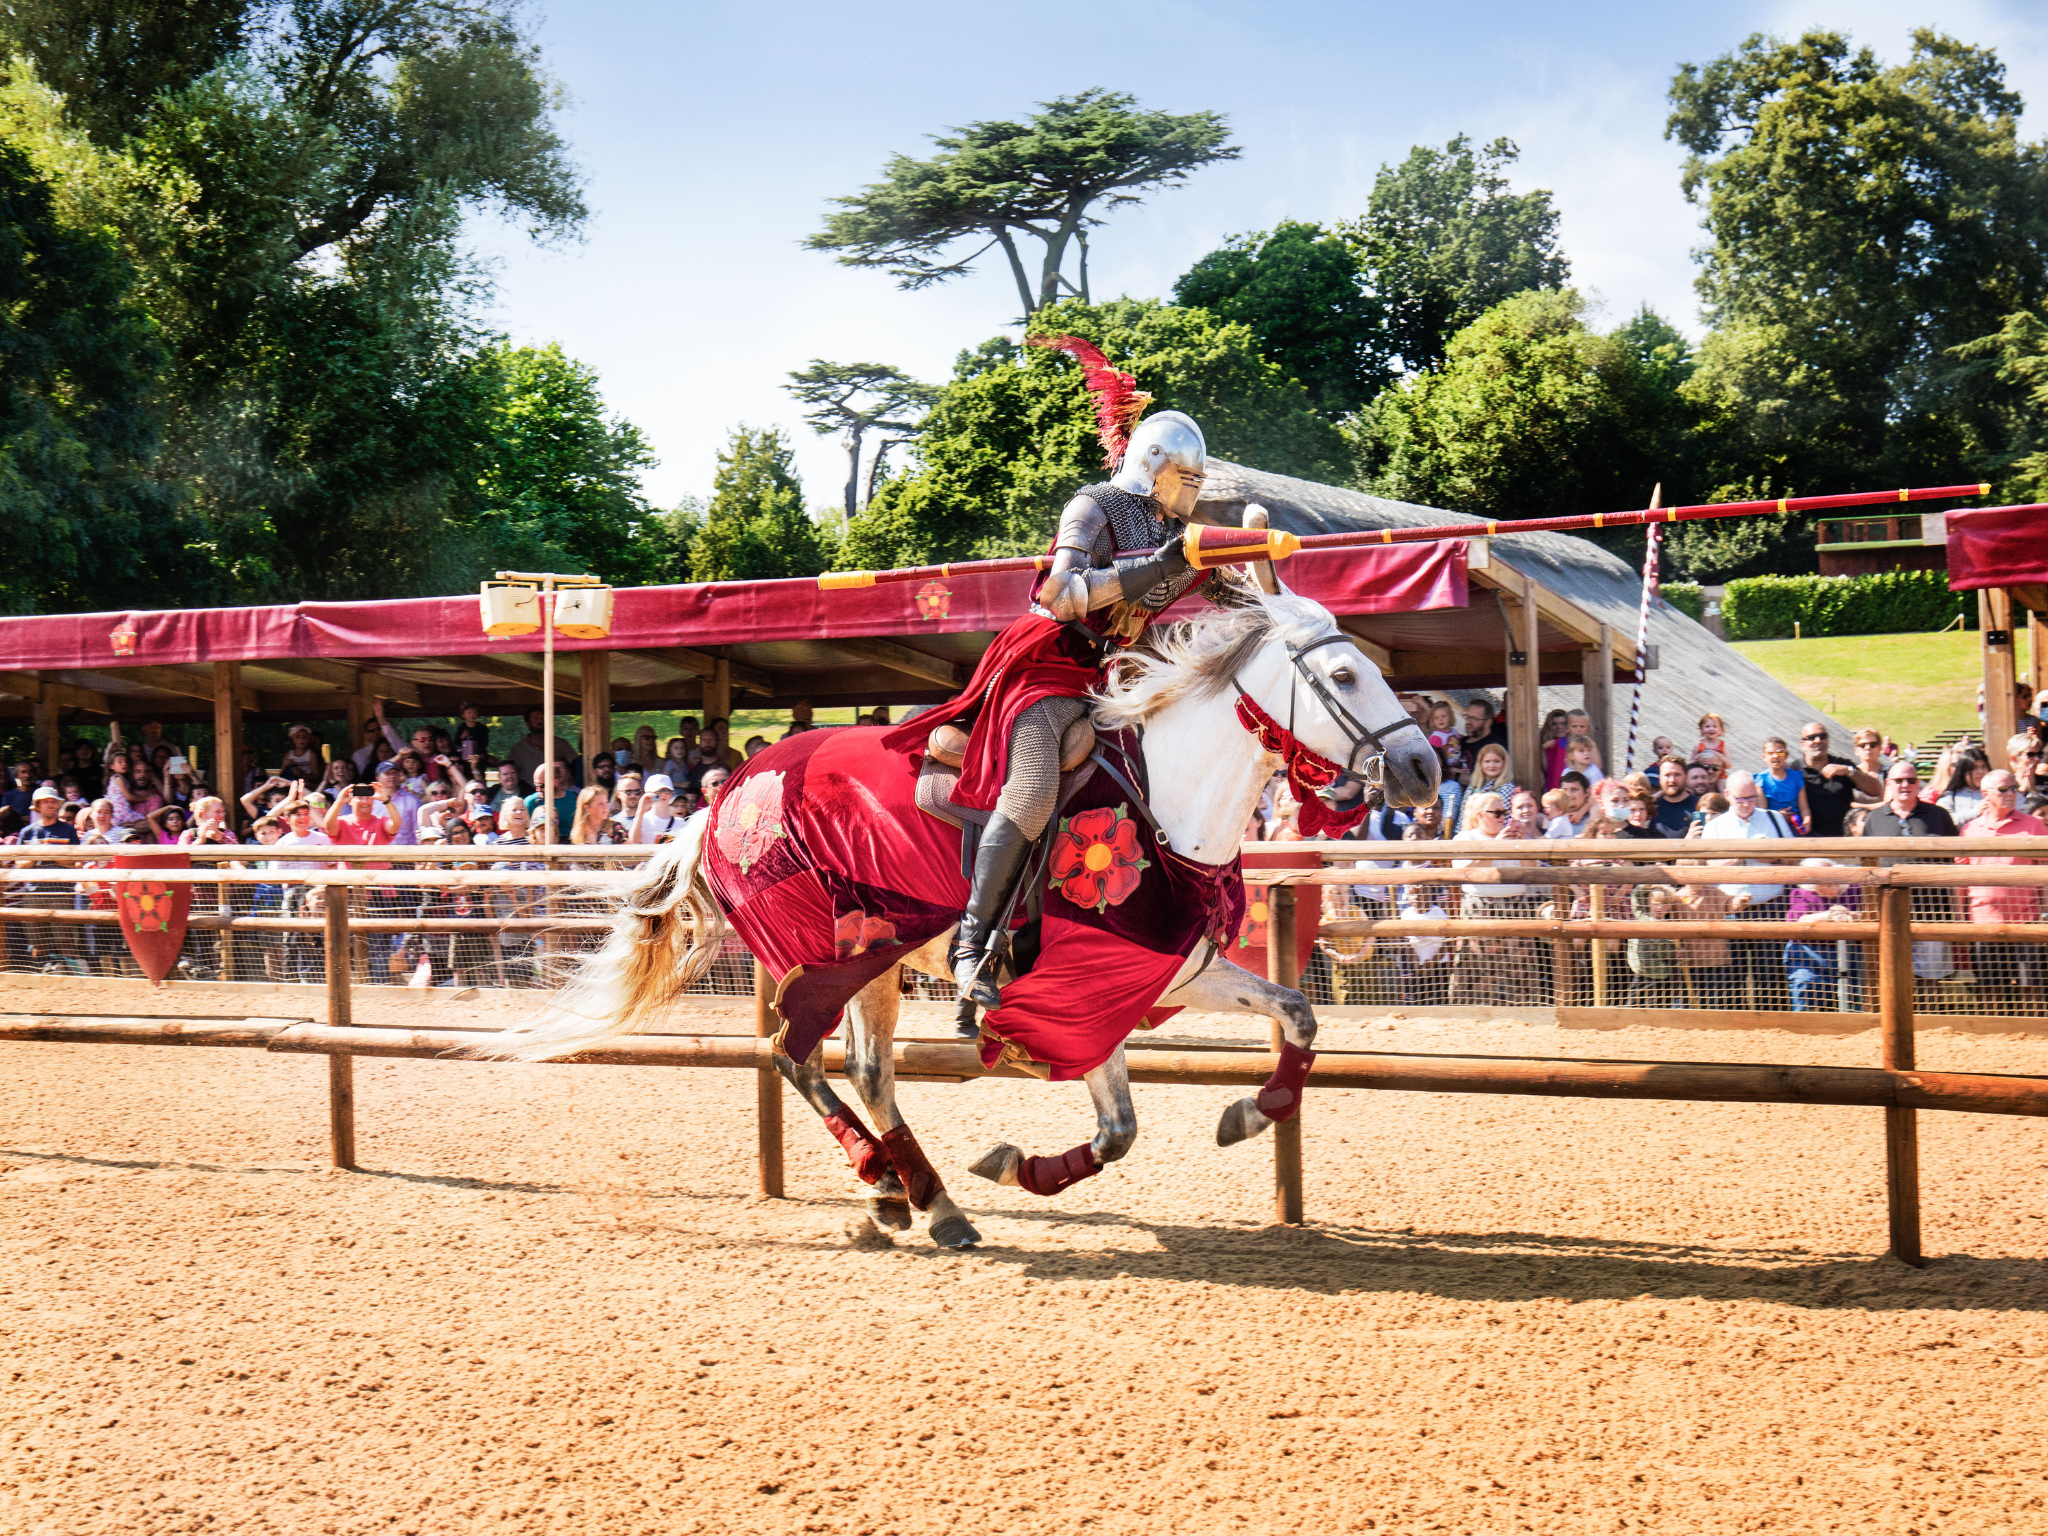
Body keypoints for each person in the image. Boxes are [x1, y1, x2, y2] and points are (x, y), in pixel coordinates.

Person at [880, 373, 1228, 1010]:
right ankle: (971, 945)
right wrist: (1159, 564)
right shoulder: (1092, 505)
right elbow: (1060, 594)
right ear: (1155, 466)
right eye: (1187, 476)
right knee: (1035, 786)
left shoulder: (1170, 531)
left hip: (1103, 677)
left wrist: (1250, 556)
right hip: (1045, 664)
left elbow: (1224, 588)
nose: (1193, 489)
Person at [1702, 770, 1799, 1007]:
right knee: (1730, 977)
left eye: (1750, 798)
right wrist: (1742, 854)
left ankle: (1774, 1022)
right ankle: (1734, 1024)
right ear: (1727, 795)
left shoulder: (1774, 818)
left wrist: (1774, 858)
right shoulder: (1715, 826)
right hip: (1729, 910)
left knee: (1771, 976)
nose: (1746, 804)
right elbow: (1709, 867)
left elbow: (1796, 858)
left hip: (1770, 908)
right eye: (1740, 799)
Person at [1957, 769, 2045, 1003]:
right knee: (1991, 988)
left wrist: (2045, 914)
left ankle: (2034, 1024)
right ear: (1985, 794)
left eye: (2014, 788)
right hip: (1983, 922)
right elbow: (1959, 879)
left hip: (2027, 922)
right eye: (2004, 789)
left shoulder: (2034, 825)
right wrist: (1958, 919)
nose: (2011, 793)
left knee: (2032, 987)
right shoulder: (1969, 830)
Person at [1784, 859, 1865, 1011]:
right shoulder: (1801, 894)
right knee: (1805, 988)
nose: (1830, 882)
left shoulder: (1856, 889)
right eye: (1822, 879)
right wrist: (1828, 915)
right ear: (1811, 884)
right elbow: (1797, 920)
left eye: (1832, 875)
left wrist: (1852, 915)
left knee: (1859, 1000)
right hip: (1810, 955)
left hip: (1853, 954)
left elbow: (1874, 913)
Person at [1798, 723, 1878, 839]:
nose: (1818, 740)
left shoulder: (1843, 765)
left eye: (1823, 736)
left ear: (1828, 740)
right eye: (1811, 737)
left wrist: (1849, 771)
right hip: (1807, 841)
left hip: (1842, 840)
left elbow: (1875, 790)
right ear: (1803, 744)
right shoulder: (1793, 770)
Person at [506, 706, 576, 794]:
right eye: (536, 719)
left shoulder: (561, 744)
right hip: (529, 793)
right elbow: (510, 772)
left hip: (558, 793)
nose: (540, 721)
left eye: (543, 718)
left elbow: (575, 766)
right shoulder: (518, 749)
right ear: (527, 724)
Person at [1756, 737, 1811, 829]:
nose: (1775, 756)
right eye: (1770, 753)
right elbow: (1762, 812)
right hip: (1773, 826)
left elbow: (1804, 807)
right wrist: (1777, 816)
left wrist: (1807, 822)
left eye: (1780, 752)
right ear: (1764, 757)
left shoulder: (1796, 777)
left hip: (1796, 825)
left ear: (1786, 755)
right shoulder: (1761, 781)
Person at [1650, 757, 1698, 838]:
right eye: (1667, 775)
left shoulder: (1699, 806)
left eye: (1677, 774)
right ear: (1660, 779)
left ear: (1686, 778)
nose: (1672, 780)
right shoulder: (1650, 807)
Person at [629, 773, 683, 843]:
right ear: (649, 794)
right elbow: (634, 840)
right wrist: (640, 811)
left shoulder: (680, 822)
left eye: (667, 791)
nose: (663, 794)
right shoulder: (644, 819)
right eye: (658, 792)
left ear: (672, 794)